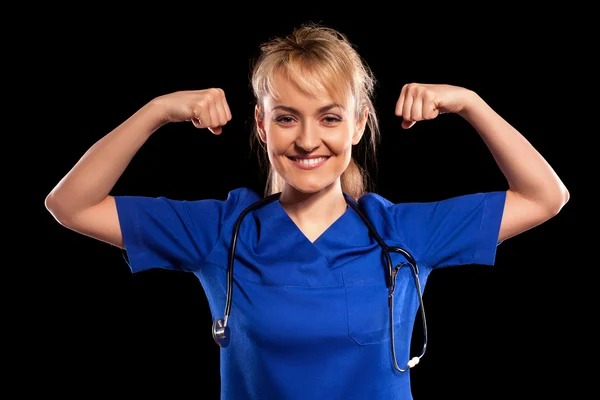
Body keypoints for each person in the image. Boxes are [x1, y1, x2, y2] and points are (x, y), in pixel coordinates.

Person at [45, 22, 569, 400]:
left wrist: (471, 102)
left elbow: (547, 196)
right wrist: (157, 111)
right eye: (288, 118)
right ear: (261, 126)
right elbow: (70, 204)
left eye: (330, 117)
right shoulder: (219, 232)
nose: (308, 141)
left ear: (358, 126)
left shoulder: (403, 232)